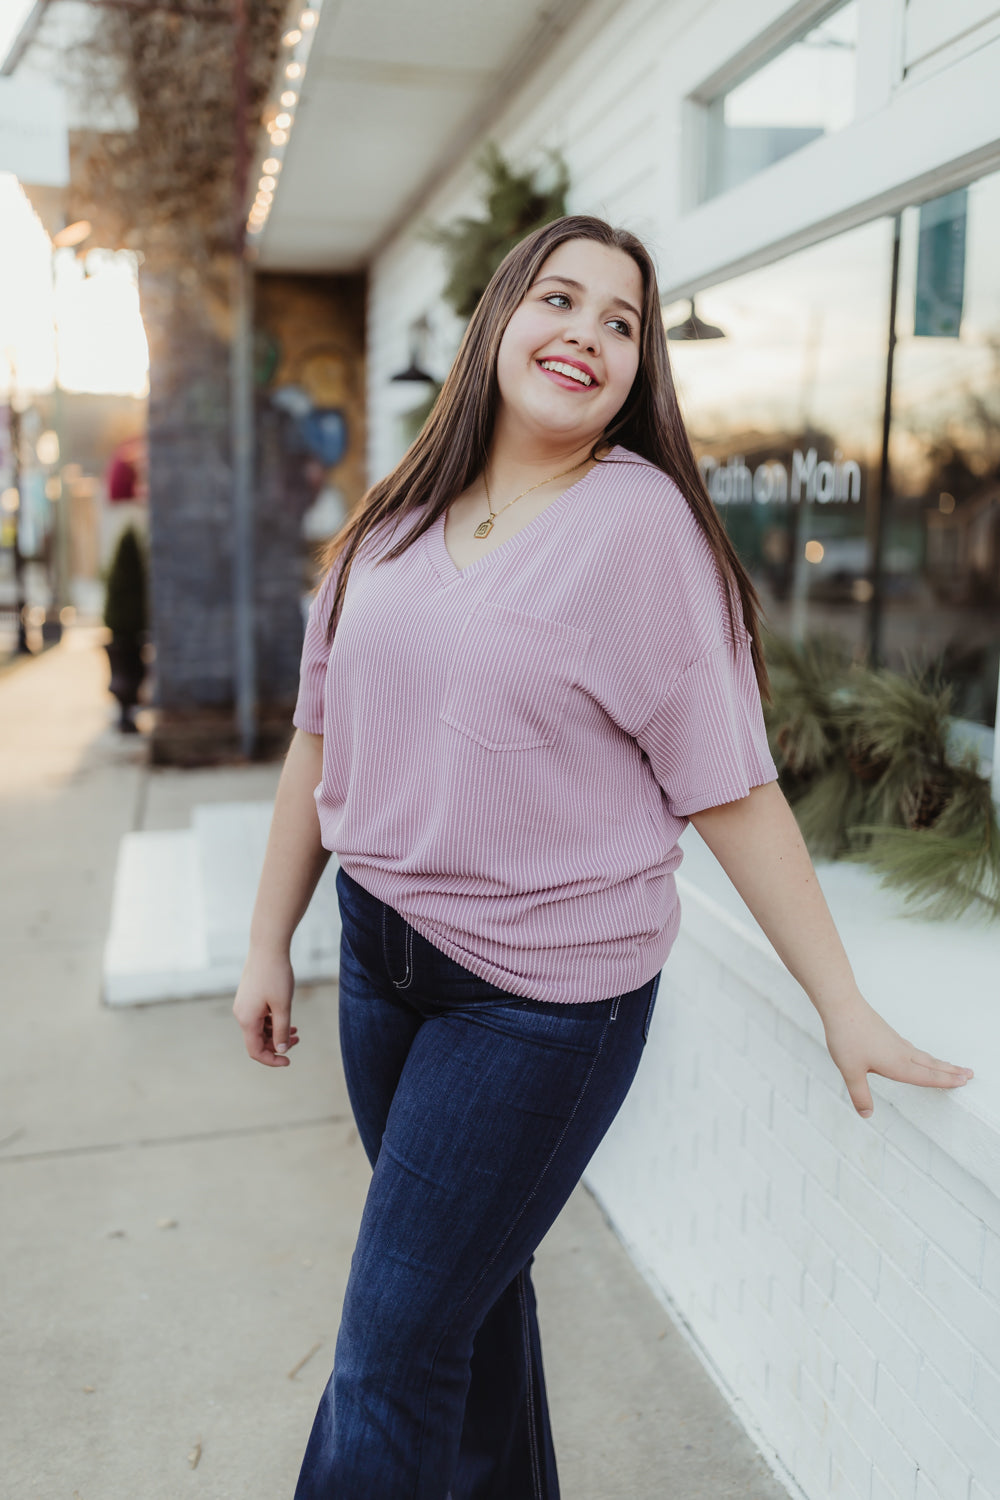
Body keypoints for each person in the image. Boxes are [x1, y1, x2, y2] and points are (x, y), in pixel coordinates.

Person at [233, 215, 974, 1500]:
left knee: (389, 1356)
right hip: (378, 959)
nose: (586, 332)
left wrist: (839, 1002)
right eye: (558, 299)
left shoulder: (640, 530)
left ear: (638, 371)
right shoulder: (397, 516)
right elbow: (316, 741)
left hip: (539, 1006)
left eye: (620, 322)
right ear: (498, 323)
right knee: (463, 1299)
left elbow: (733, 789)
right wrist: (265, 946)